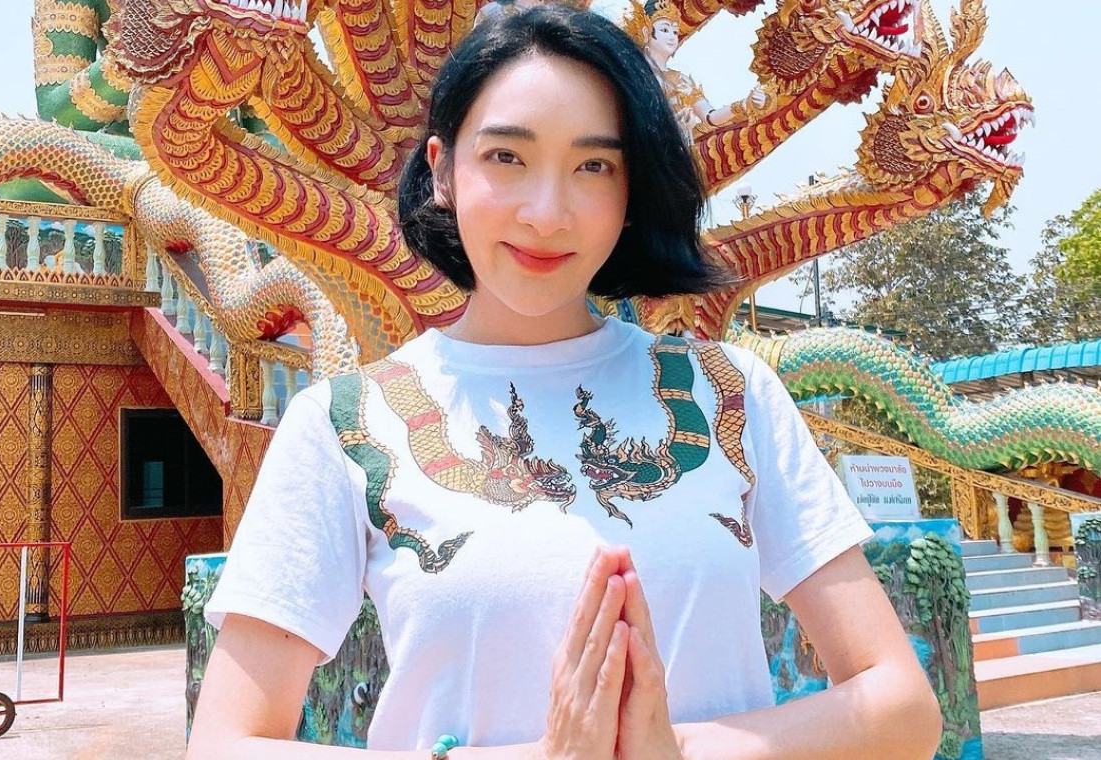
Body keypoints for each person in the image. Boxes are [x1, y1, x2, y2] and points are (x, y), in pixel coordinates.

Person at [189, 5, 942, 760]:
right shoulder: (344, 422)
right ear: (443, 171)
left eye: (594, 166)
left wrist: (676, 752)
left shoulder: (730, 393)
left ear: (631, 188)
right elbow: (225, 743)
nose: (547, 214)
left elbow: (902, 709)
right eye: (506, 157)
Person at [622, 0, 768, 138]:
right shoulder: (631, 74)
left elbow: (709, 117)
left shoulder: (681, 81)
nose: (672, 37)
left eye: (675, 32)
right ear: (646, 32)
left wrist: (744, 104)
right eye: (665, 30)